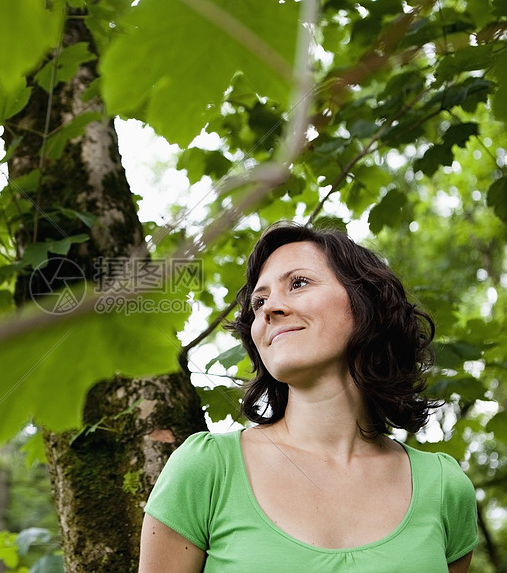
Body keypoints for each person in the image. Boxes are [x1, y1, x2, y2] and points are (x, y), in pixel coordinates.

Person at [139, 221, 478, 572]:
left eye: (298, 283)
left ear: (367, 304)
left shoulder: (444, 489)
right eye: (259, 301)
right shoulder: (205, 469)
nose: (270, 308)